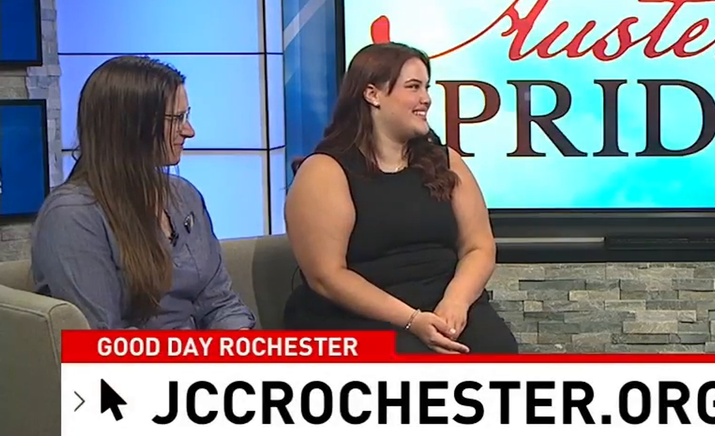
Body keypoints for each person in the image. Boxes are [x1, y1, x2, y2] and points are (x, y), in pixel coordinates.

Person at [283, 42, 517, 354]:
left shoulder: (446, 161)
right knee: (413, 361)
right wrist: (411, 320)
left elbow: (479, 246)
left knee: (497, 347)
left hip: (441, 302)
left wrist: (455, 303)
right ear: (373, 94)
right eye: (413, 87)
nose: (426, 98)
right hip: (357, 315)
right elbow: (327, 276)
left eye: (426, 87)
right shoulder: (325, 171)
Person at [30, 56, 255, 330]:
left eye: (186, 116)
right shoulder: (73, 217)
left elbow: (221, 303)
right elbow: (103, 340)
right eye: (177, 119)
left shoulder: (184, 196)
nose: (189, 131)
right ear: (131, 126)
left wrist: (242, 342)